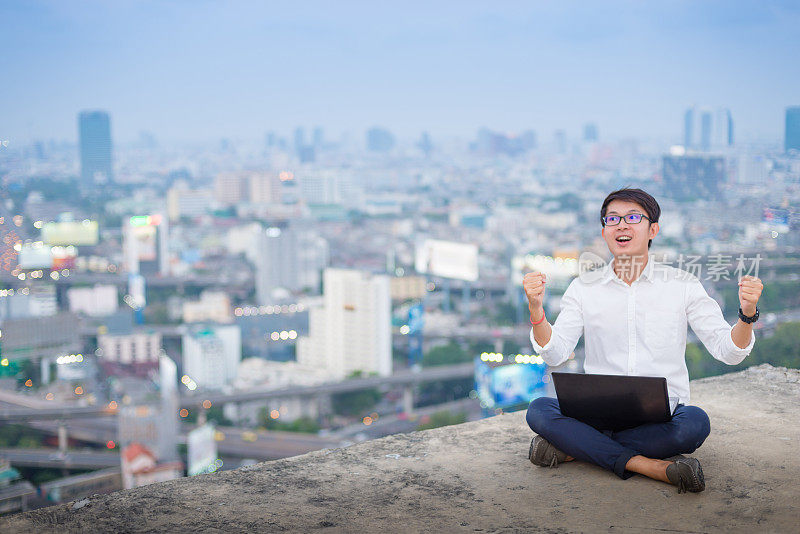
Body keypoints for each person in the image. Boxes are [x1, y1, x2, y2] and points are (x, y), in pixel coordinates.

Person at [523, 188, 763, 493]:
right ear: (605, 231)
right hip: (598, 414)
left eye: (633, 217)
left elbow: (729, 351)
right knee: (539, 410)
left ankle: (573, 450)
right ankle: (651, 466)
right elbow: (554, 353)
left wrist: (746, 314)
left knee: (695, 423)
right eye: (613, 219)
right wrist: (536, 309)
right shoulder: (583, 288)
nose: (622, 225)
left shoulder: (682, 285)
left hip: (662, 418)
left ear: (653, 229)